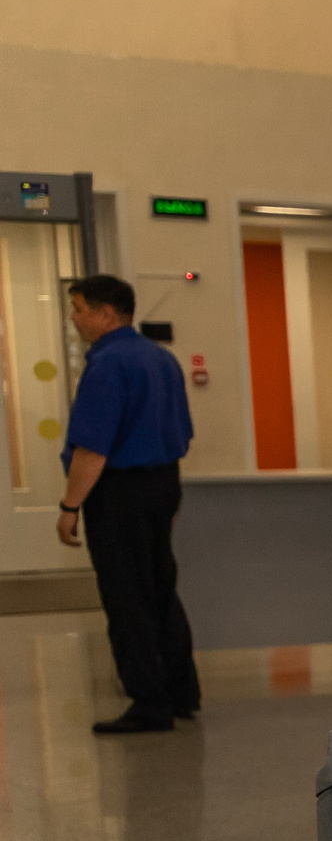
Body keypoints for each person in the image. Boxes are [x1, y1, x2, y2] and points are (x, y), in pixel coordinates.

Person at [56, 274, 200, 735]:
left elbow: (92, 449)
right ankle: (181, 690)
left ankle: (148, 701)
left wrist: (70, 505)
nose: (75, 318)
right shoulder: (161, 359)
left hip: (119, 493)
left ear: (107, 314)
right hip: (163, 483)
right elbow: (182, 434)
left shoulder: (107, 365)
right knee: (160, 588)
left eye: (80, 308)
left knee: (126, 596)